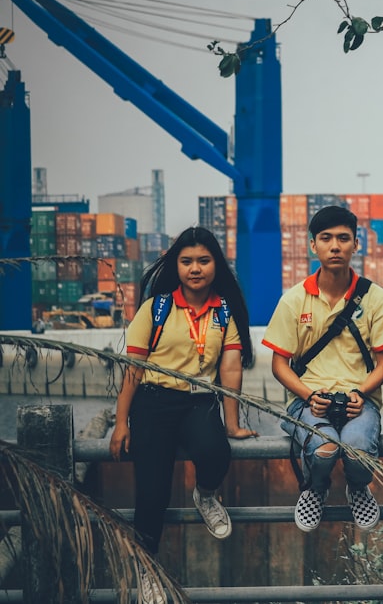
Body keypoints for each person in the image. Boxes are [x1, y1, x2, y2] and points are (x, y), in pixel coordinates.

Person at [109, 227, 257, 604]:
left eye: (203, 261)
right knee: (153, 491)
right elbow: (133, 367)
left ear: (216, 265)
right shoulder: (156, 307)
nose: (195, 269)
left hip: (199, 401)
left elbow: (231, 367)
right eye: (187, 261)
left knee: (215, 453)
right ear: (175, 265)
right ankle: (148, 573)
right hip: (155, 402)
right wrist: (121, 422)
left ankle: (205, 495)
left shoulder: (224, 310)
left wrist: (234, 423)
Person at [262, 206, 383, 532]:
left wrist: (360, 393)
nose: (335, 246)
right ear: (313, 245)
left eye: (343, 238)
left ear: (356, 245)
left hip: (359, 400)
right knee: (325, 450)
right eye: (326, 238)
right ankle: (315, 487)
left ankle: (358, 487)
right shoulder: (293, 300)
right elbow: (279, 364)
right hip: (308, 399)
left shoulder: (376, 298)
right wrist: (310, 394)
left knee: (359, 454)